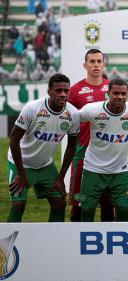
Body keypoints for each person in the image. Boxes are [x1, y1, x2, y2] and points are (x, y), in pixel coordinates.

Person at [78, 78, 128, 222]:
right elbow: (73, 119)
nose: (120, 97)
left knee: (123, 209)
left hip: (120, 171)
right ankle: (85, 241)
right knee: (87, 209)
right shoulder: (92, 109)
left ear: (127, 95)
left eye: (123, 94)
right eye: (116, 93)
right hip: (93, 170)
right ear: (108, 94)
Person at [7, 74, 80, 222]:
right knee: (18, 204)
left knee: (59, 202)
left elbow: (72, 146)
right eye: (58, 90)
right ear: (49, 91)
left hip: (45, 165)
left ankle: (55, 240)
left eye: (66, 91)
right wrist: (21, 174)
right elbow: (14, 139)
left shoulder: (73, 114)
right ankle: (8, 244)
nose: (63, 94)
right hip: (21, 164)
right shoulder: (32, 108)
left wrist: (60, 178)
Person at [68, 49, 114, 222]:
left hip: (108, 151)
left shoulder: (112, 88)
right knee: (78, 201)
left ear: (104, 64)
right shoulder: (75, 90)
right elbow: (67, 118)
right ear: (85, 65)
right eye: (92, 61)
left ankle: (108, 239)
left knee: (108, 201)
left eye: (99, 61)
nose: (96, 65)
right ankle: (75, 238)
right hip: (83, 150)